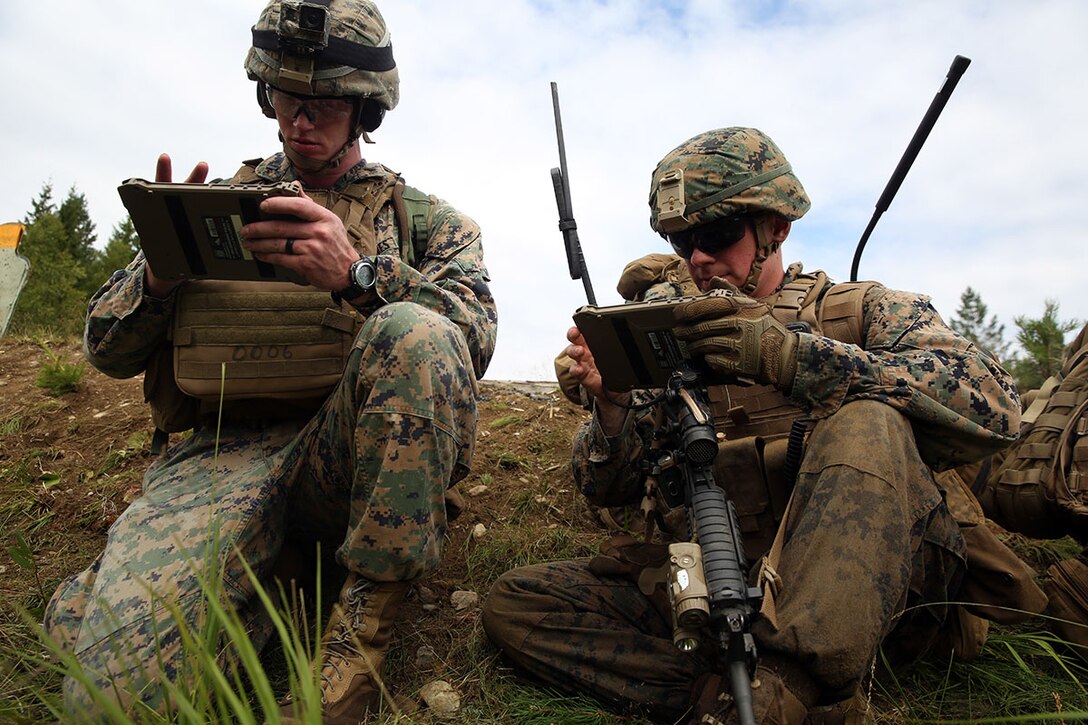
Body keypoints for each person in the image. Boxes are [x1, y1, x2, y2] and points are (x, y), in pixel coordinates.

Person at [482, 127, 1043, 724]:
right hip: (724, 590)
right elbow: (605, 488)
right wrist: (614, 406)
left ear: (776, 226)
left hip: (891, 592)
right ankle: (743, 697)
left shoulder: (858, 310)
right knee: (517, 605)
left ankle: (782, 690)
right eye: (682, 239)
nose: (698, 258)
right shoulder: (667, 337)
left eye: (718, 234)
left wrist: (793, 358)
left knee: (869, 423)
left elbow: (994, 404)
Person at [42, 0, 497, 720]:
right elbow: (106, 349)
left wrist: (361, 275)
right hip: (214, 460)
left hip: (344, 458)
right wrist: (159, 273)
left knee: (417, 329)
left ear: (364, 108)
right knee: (109, 702)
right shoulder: (217, 203)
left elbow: (470, 339)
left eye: (320, 103)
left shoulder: (429, 224)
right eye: (284, 98)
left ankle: (361, 632)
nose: (298, 121)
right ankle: (263, 591)